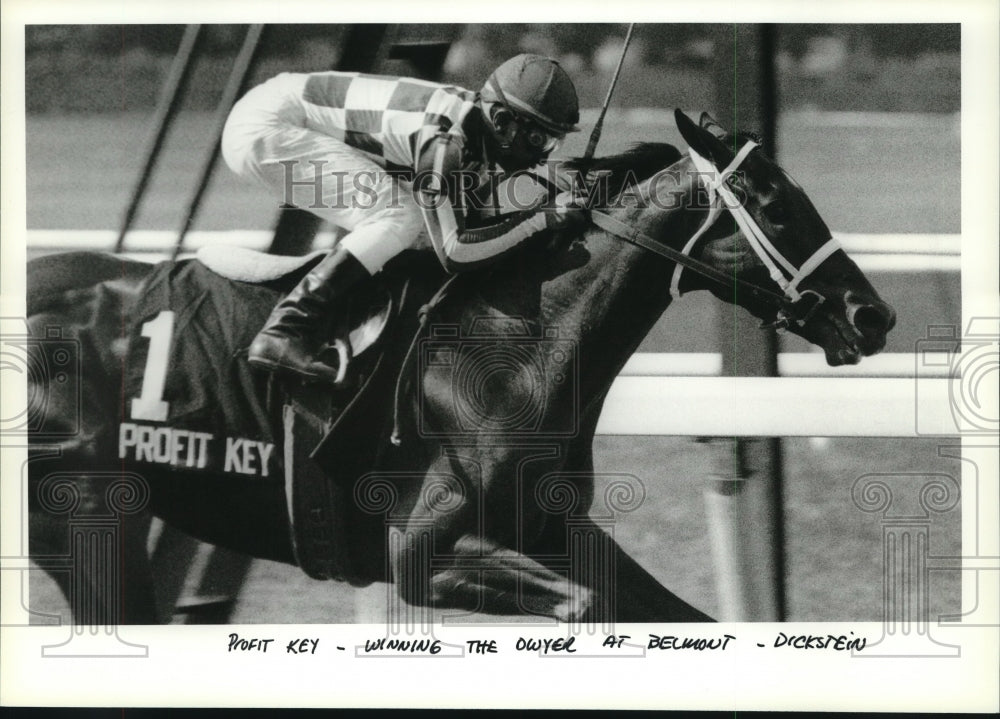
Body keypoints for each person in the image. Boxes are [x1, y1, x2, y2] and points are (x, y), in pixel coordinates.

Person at [221, 53, 587, 383]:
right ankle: (284, 330)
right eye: (539, 140)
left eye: (554, 144)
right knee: (400, 215)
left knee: (413, 222)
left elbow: (481, 224)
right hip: (266, 126)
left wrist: (544, 216)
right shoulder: (445, 145)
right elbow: (455, 252)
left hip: (285, 111)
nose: (543, 157)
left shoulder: (475, 130)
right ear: (503, 120)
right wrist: (541, 219)